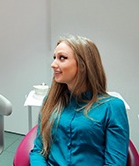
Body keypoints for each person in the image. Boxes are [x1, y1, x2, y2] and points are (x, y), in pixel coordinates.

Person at [29, 35, 129, 165]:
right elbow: (38, 151)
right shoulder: (51, 101)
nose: (53, 65)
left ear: (83, 65)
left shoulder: (112, 107)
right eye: (54, 58)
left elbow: (115, 163)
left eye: (62, 58)